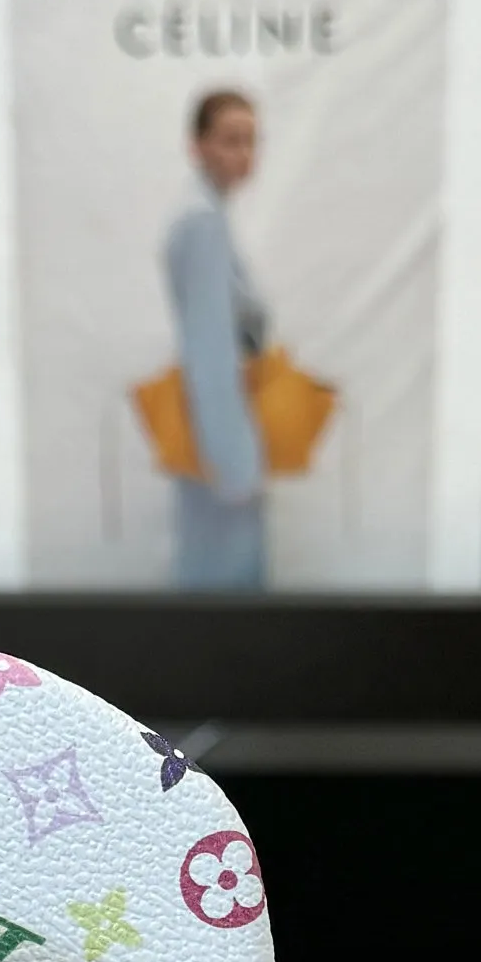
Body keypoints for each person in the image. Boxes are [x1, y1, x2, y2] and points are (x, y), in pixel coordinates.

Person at [163, 89, 268, 589]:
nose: (243, 153)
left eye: (250, 140)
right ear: (198, 145)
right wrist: (234, 462)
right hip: (218, 440)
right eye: (230, 140)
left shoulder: (208, 217)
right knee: (223, 586)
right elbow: (210, 350)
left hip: (215, 428)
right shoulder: (202, 224)